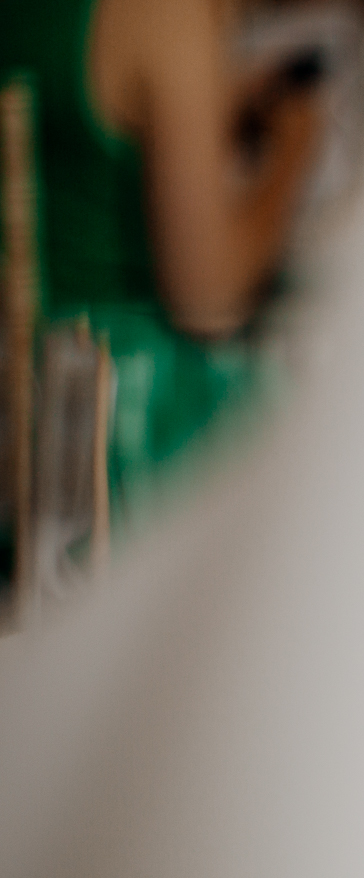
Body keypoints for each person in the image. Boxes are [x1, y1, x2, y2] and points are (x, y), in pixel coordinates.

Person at [1, 0, 323, 519]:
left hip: (16, 423)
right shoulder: (167, 12)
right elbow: (212, 300)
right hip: (108, 445)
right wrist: (294, 149)